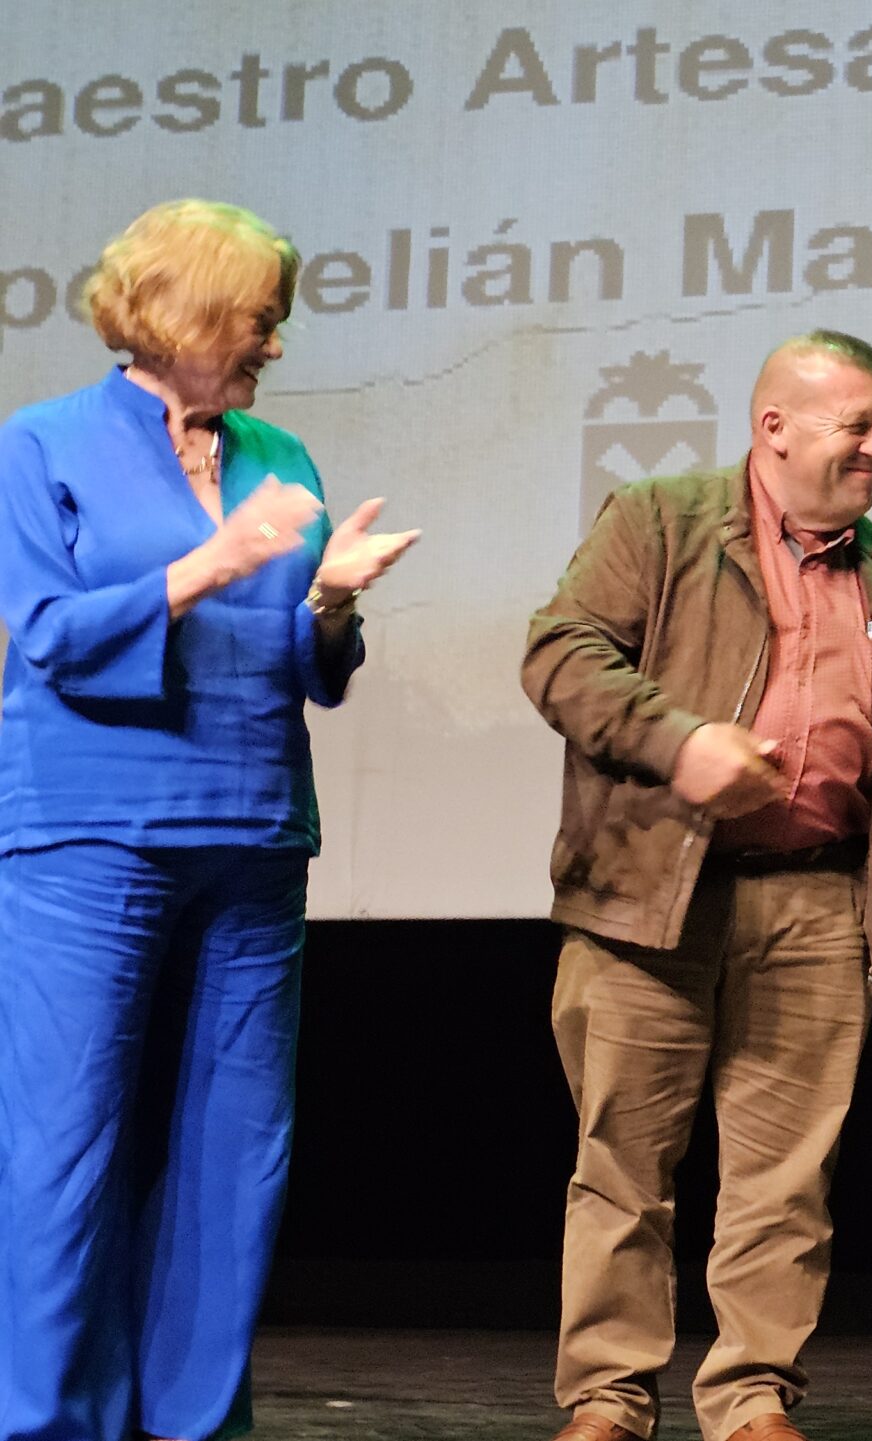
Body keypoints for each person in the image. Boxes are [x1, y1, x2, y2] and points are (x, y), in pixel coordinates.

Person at [521, 331, 872, 1441]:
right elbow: (561, 654)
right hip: (651, 893)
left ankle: (751, 1395)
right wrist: (679, 742)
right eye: (855, 425)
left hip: (820, 901)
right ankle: (607, 1396)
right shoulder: (661, 520)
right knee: (623, 1167)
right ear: (773, 427)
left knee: (787, 1178)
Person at [0, 199, 418, 1441]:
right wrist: (209, 566)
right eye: (259, 319)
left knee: (235, 1154)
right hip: (90, 834)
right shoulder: (41, 444)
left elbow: (308, 666)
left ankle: (192, 1421)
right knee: (66, 1146)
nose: (274, 345)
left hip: (253, 830)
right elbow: (48, 636)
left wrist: (330, 604)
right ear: (182, 313)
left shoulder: (279, 456)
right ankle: (49, 1420)